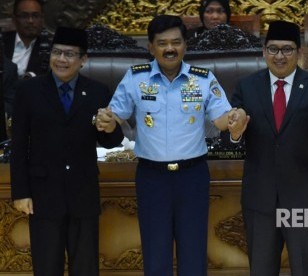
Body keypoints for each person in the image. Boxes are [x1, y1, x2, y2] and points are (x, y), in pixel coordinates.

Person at [102, 15, 245, 276]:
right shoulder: (135, 78)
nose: (170, 49)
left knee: (193, 251)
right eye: (163, 43)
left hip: (192, 176)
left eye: (176, 42)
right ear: (151, 47)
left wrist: (235, 119)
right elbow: (115, 116)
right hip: (151, 177)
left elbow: (222, 118)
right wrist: (105, 120)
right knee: (155, 253)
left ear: (185, 46)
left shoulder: (202, 79)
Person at [229, 20, 308, 275]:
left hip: (304, 197)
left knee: (305, 269)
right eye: (273, 49)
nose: (280, 56)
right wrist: (235, 134)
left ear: (300, 52)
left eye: (287, 49)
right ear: (263, 52)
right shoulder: (246, 87)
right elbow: (231, 136)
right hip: (261, 197)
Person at [10, 26, 124, 276]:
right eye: (57, 52)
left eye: (70, 54)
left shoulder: (97, 91)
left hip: (83, 194)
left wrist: (110, 126)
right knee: (46, 267)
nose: (61, 59)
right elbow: (18, 146)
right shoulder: (28, 91)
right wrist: (20, 192)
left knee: (85, 267)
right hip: (43, 195)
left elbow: (110, 142)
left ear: (83, 59)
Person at [3, 0, 48, 78]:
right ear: (14, 19)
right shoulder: (3, 41)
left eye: (35, 16)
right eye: (24, 16)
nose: (30, 21)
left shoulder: (49, 48)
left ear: (42, 19)